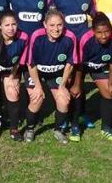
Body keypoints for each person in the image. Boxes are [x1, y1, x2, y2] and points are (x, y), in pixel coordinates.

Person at [21, 9, 76, 144]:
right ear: (45, 25)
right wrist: (38, 86)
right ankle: (30, 128)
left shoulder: (70, 37)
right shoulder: (37, 36)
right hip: (36, 72)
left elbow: (70, 64)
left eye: (59, 25)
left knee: (64, 100)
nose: (56, 29)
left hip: (56, 74)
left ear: (64, 24)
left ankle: (58, 130)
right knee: (37, 97)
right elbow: (31, 64)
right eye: (52, 25)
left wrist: (63, 86)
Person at [71, 12, 112, 142]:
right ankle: (76, 123)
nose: (104, 36)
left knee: (109, 92)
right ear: (93, 31)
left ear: (111, 29)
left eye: (107, 31)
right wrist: (77, 84)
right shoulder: (85, 39)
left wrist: (111, 83)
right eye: (99, 32)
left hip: (100, 67)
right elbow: (78, 63)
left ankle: (106, 127)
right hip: (81, 66)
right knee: (76, 91)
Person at [0, 10, 28, 142]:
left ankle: (14, 129)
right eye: (7, 25)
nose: (11, 28)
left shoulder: (23, 37)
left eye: (14, 24)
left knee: (13, 92)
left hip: (11, 68)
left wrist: (13, 78)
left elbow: (19, 61)